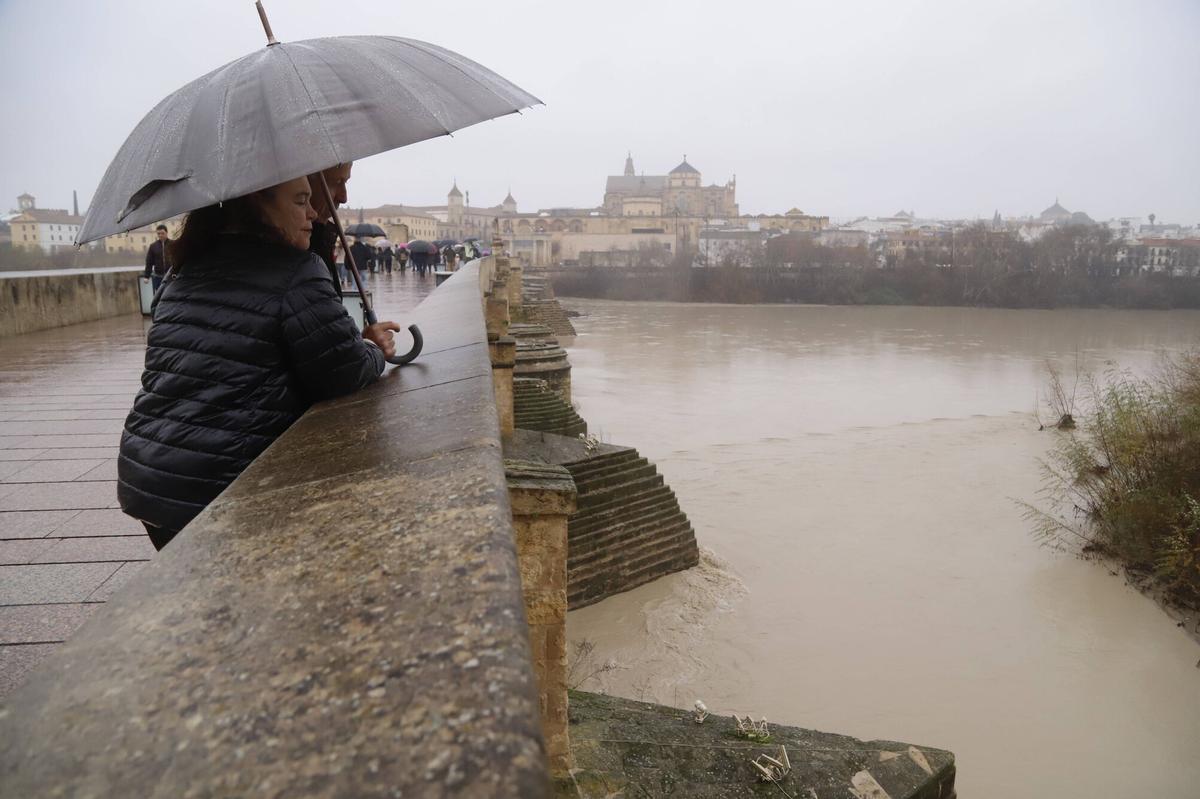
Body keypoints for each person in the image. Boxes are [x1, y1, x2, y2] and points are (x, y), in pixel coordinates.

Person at [117, 175, 402, 551]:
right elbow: (342, 371)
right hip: (216, 483)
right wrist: (374, 350)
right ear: (257, 205)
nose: (314, 212)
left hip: (149, 476)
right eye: (301, 201)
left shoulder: (183, 270)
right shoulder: (296, 271)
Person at [306, 163, 353, 296]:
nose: (343, 197)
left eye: (345, 182)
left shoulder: (322, 239)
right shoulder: (300, 253)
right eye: (336, 182)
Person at [143, 224, 171, 292]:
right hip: (158, 277)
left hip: (170, 276)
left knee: (170, 295)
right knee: (159, 295)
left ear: (166, 233)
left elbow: (178, 260)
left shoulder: (173, 244)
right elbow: (149, 262)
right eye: (158, 233)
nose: (160, 235)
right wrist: (147, 276)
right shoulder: (153, 246)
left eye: (162, 233)